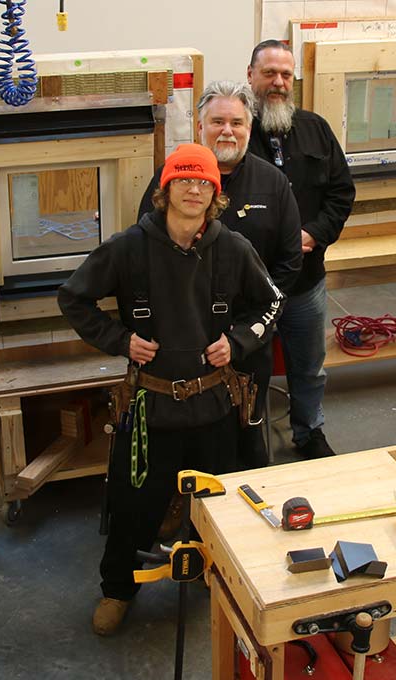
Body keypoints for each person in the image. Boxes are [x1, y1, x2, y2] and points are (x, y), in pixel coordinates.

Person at [59, 144, 281, 635]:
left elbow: (272, 303)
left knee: (221, 507)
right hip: (150, 407)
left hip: (215, 406)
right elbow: (73, 298)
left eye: (203, 182)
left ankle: (219, 575)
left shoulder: (233, 248)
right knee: (134, 505)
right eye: (183, 180)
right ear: (165, 190)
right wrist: (120, 340)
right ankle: (118, 588)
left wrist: (239, 341)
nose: (194, 189)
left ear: (215, 193)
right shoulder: (128, 248)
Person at [138, 81, 301, 469]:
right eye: (217, 122)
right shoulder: (168, 180)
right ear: (199, 127)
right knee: (187, 443)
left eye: (237, 123)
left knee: (247, 437)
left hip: (246, 342)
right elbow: (146, 253)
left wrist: (245, 334)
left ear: (250, 128)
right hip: (183, 345)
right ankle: (189, 515)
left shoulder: (273, 184)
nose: (227, 131)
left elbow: (289, 264)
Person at [245, 39, 355, 459]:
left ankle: (309, 432)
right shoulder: (235, 134)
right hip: (251, 287)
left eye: (285, 75)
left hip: (306, 283)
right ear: (250, 75)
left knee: (309, 368)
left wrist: (312, 234)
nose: (278, 82)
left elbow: (342, 193)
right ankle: (248, 439)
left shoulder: (316, 129)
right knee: (248, 369)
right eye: (269, 73)